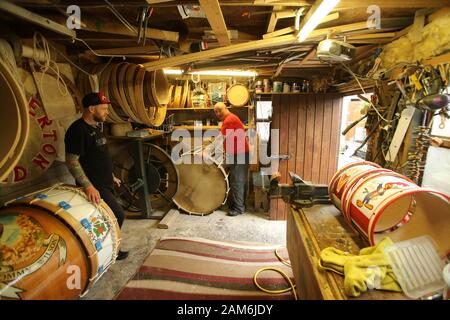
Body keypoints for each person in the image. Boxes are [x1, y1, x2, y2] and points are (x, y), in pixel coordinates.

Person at [64, 92, 128, 260]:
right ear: (92, 109)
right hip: (95, 186)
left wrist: (112, 175)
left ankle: (109, 249)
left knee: (107, 218)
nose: (107, 112)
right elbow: (72, 161)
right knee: (117, 215)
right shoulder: (77, 130)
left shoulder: (96, 127)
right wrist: (88, 186)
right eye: (104, 109)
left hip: (106, 182)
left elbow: (100, 156)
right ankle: (109, 250)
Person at [213, 102, 249, 216]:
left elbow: (219, 140)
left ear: (222, 110)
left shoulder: (229, 120)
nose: (217, 114)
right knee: (240, 180)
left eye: (218, 111)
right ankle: (240, 205)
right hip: (239, 153)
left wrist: (207, 152)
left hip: (239, 154)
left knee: (237, 181)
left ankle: (238, 208)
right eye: (215, 112)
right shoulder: (231, 118)